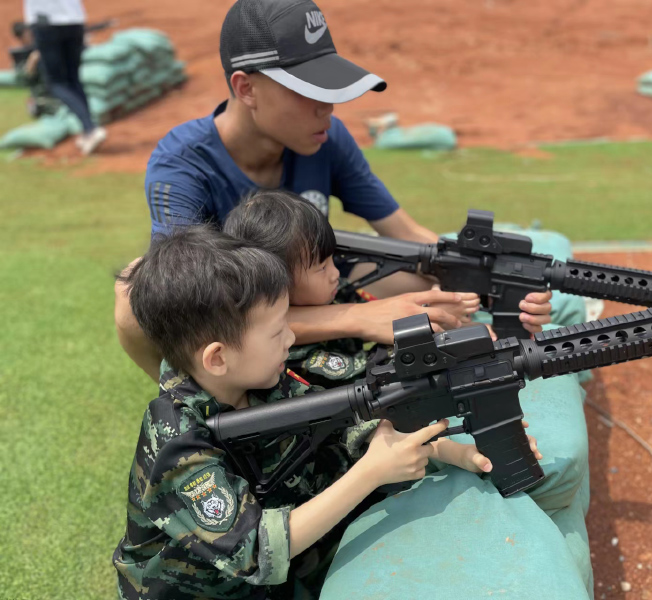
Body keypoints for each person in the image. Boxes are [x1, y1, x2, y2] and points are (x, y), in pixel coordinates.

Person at [114, 0, 552, 383]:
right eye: (308, 90)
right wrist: (359, 318)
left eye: (329, 87)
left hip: (322, 282)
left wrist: (496, 286)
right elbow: (190, 306)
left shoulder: (328, 136)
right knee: (135, 302)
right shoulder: (182, 164)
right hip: (235, 310)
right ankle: (192, 400)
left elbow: (404, 234)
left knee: (433, 286)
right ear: (246, 88)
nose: (328, 107)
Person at [111, 225, 542, 599]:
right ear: (217, 358)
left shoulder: (262, 379)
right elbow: (255, 552)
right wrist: (371, 472)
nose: (292, 337)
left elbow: (347, 430)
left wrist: (453, 452)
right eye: (278, 331)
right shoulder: (175, 443)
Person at [222, 189, 481, 387]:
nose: (335, 273)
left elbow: (380, 315)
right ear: (279, 283)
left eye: (331, 260)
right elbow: (371, 373)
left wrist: (432, 310)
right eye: (321, 267)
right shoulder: (289, 352)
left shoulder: (336, 293)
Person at [23, 0, 107, 153]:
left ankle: (90, 128)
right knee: (73, 79)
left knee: (55, 83)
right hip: (75, 20)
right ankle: (89, 129)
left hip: (46, 23)